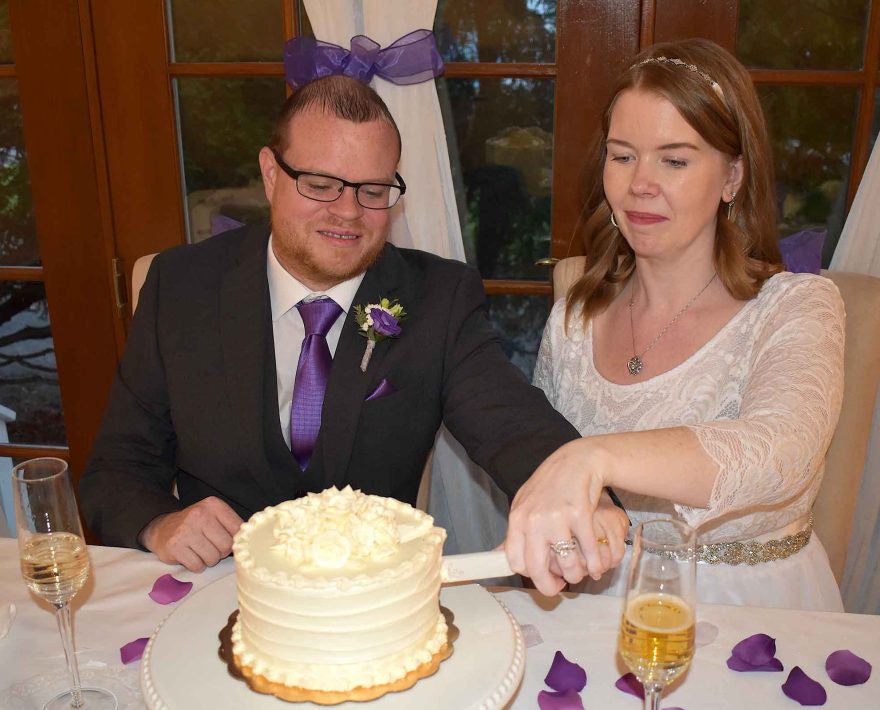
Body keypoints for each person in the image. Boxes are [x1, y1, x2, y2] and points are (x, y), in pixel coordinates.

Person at [79, 74, 629, 574]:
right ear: (271, 174)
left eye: (372, 191)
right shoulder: (180, 285)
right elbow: (115, 470)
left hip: (370, 600)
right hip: (219, 591)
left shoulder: (439, 297)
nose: (347, 213)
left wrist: (583, 493)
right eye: (320, 184)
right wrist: (160, 523)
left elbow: (510, 422)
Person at [503, 39, 845, 611]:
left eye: (675, 160)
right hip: (599, 606)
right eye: (622, 155)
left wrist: (593, 456)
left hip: (753, 614)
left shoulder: (797, 306)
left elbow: (783, 454)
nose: (640, 183)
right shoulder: (575, 316)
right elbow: (546, 462)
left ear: (732, 177)